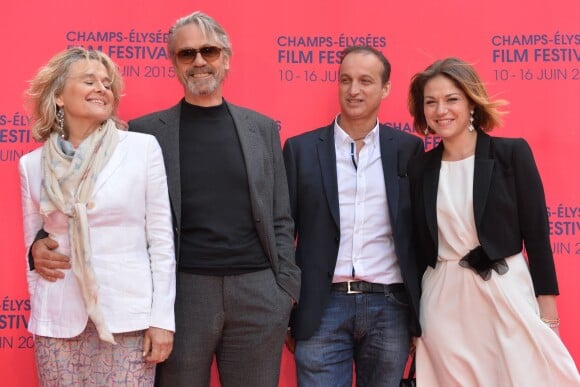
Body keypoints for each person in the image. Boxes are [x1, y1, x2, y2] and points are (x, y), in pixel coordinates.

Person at [29, 11, 300, 387]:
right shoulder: (144, 133)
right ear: (174, 63)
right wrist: (36, 246)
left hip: (257, 292)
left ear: (226, 57)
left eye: (209, 51)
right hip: (182, 293)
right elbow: (88, 199)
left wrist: (283, 289)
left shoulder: (262, 128)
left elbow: (280, 217)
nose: (199, 61)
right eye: (187, 54)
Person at [407, 57, 580, 386]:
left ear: (471, 102)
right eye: (431, 102)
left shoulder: (510, 154)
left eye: (451, 99)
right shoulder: (420, 168)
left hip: (504, 289)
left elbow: (538, 237)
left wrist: (548, 314)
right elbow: (416, 248)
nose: (441, 110)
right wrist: (414, 323)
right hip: (442, 301)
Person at [19, 47, 175, 386]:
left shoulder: (141, 149)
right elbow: (33, 245)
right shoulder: (31, 165)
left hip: (125, 322)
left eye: (107, 84)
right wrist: (41, 305)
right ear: (59, 95)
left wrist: (162, 319)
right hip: (58, 323)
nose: (102, 89)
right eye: (89, 81)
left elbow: (161, 241)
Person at [283, 45, 423, 387]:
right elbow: (284, 233)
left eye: (365, 81)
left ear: (385, 88)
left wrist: (420, 320)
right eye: (345, 80)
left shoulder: (409, 150)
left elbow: (419, 236)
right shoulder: (300, 150)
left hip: (391, 306)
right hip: (321, 306)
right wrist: (287, 311)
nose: (353, 89)